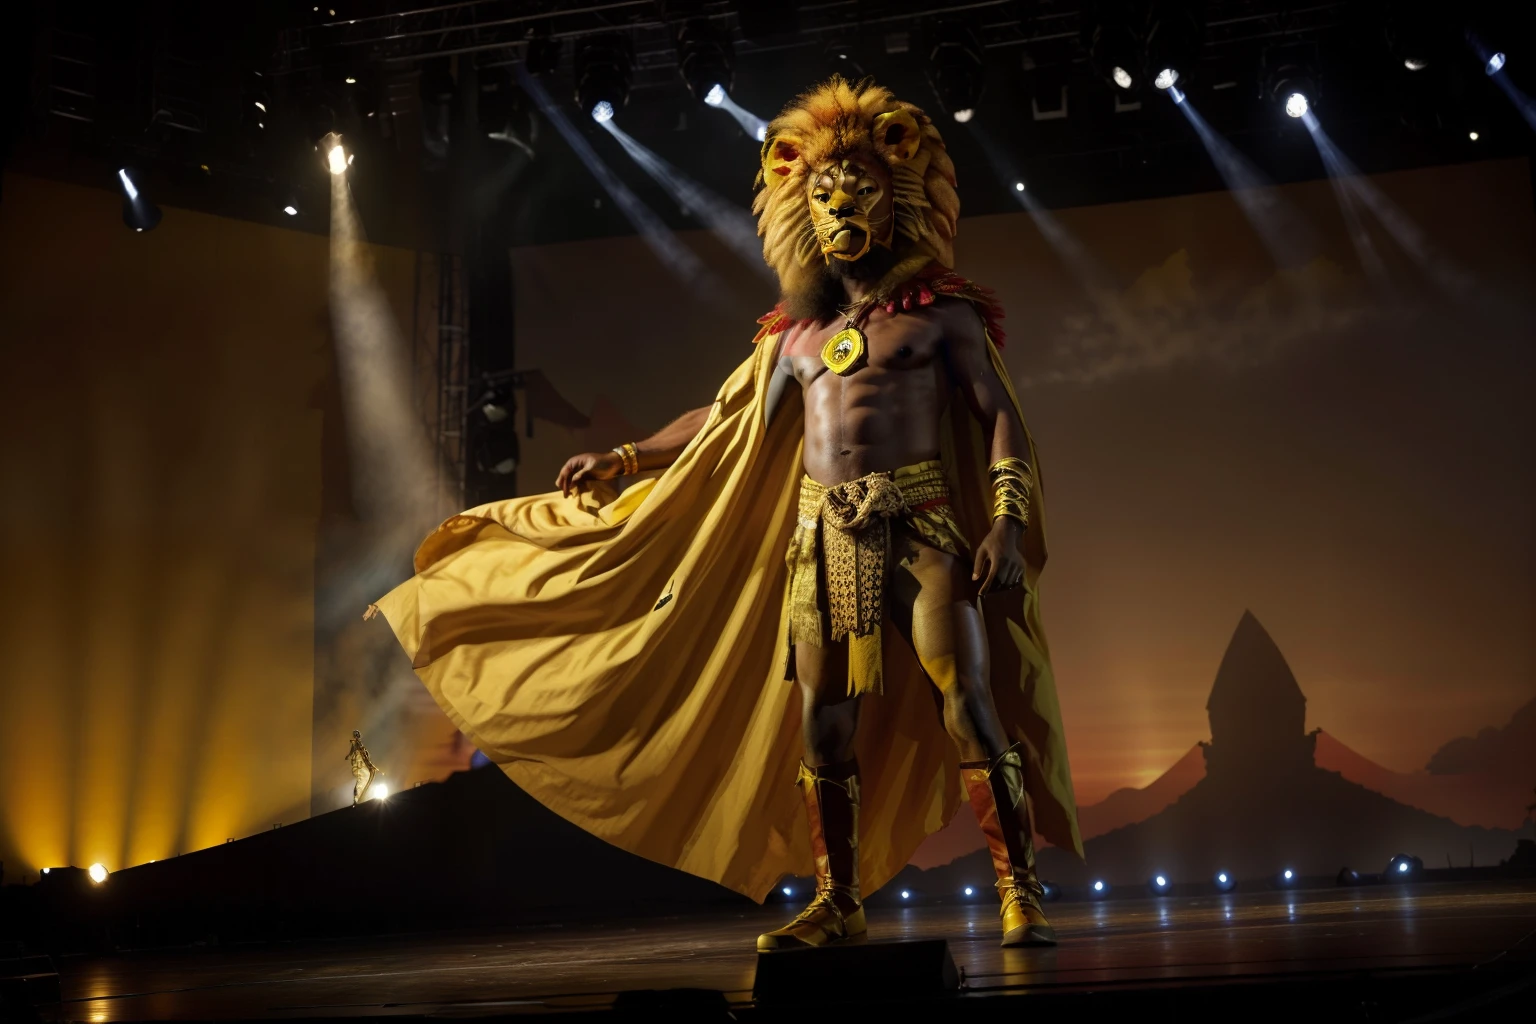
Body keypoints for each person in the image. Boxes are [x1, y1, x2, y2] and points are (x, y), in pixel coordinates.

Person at [368, 77, 1082, 950]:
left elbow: (1000, 417)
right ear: (800, 209)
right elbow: (727, 418)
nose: (841, 205)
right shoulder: (792, 337)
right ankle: (838, 900)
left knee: (968, 700)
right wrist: (629, 457)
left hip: (921, 522)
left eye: (857, 188)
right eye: (823, 193)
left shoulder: (944, 318)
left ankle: (1021, 890)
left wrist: (1006, 519)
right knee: (824, 724)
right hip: (824, 536)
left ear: (895, 197)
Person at [346, 729, 381, 806]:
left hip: (362, 761)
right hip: (359, 762)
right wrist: (348, 755)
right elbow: (352, 750)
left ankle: (360, 797)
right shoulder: (355, 742)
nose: (357, 736)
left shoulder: (360, 744)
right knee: (361, 778)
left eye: (358, 734)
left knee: (365, 777)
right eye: (356, 734)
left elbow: (365, 756)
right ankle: (357, 797)